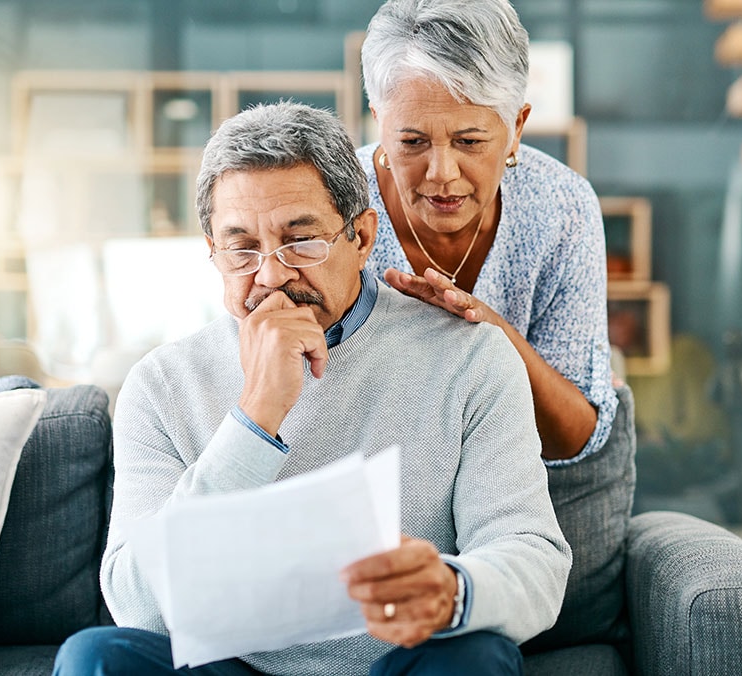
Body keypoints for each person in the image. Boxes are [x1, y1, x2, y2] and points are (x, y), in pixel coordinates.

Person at [53, 102, 571, 676]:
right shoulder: (161, 385)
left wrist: (452, 589)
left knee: (478, 656)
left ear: (363, 237)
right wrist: (255, 417)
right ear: (212, 252)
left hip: (400, 664)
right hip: (235, 668)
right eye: (241, 248)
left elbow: (535, 563)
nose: (271, 275)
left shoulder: (470, 356)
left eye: (300, 241)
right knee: (93, 657)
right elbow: (138, 609)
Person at [358, 0, 631, 650]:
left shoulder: (560, 208)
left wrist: (492, 332)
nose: (441, 172)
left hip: (500, 544)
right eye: (412, 141)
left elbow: (578, 437)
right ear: (379, 122)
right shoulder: (336, 200)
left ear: (516, 128)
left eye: (472, 141)